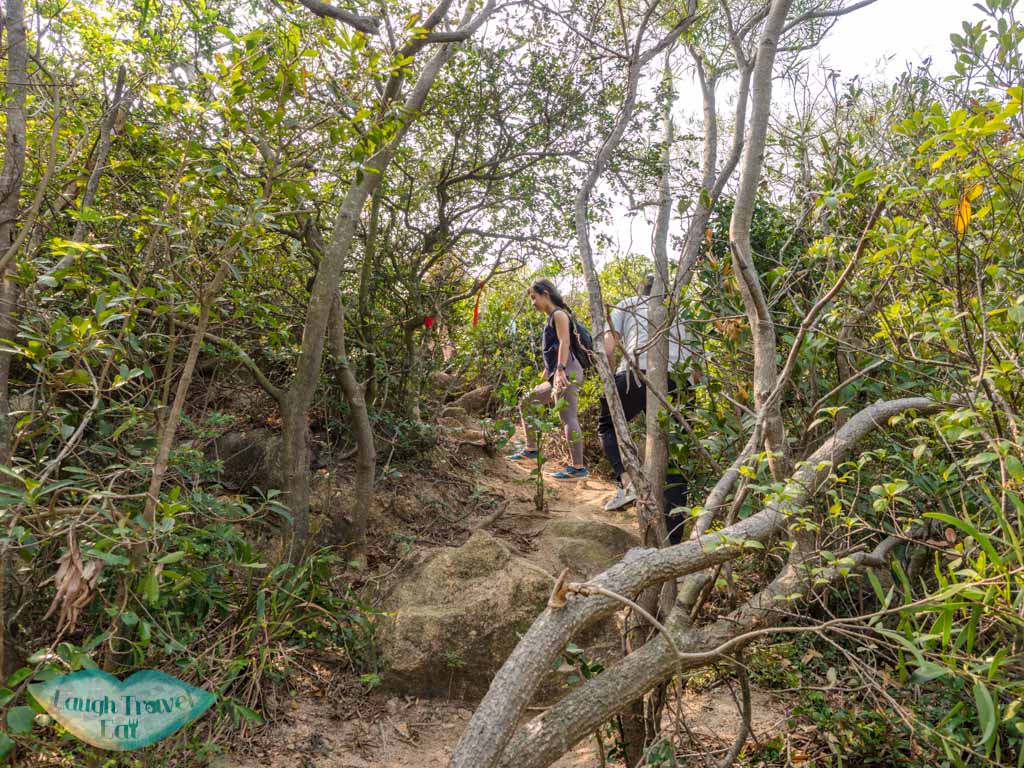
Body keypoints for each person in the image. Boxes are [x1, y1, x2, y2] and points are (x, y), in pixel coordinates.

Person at [599, 274, 693, 543]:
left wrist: (610, 377)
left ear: (642, 290)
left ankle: (627, 482)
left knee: (608, 424)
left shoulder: (627, 303)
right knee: (678, 454)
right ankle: (673, 539)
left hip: (636, 372)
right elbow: (695, 361)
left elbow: (608, 346)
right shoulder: (679, 310)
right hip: (678, 379)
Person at [509, 278, 588, 479]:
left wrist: (560, 369)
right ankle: (531, 449)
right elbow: (554, 348)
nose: (533, 303)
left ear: (545, 293)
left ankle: (578, 468)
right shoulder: (552, 316)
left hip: (567, 372)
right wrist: (549, 371)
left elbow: (565, 342)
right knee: (527, 401)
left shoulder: (559, 314)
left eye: (534, 297)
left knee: (568, 417)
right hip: (560, 373)